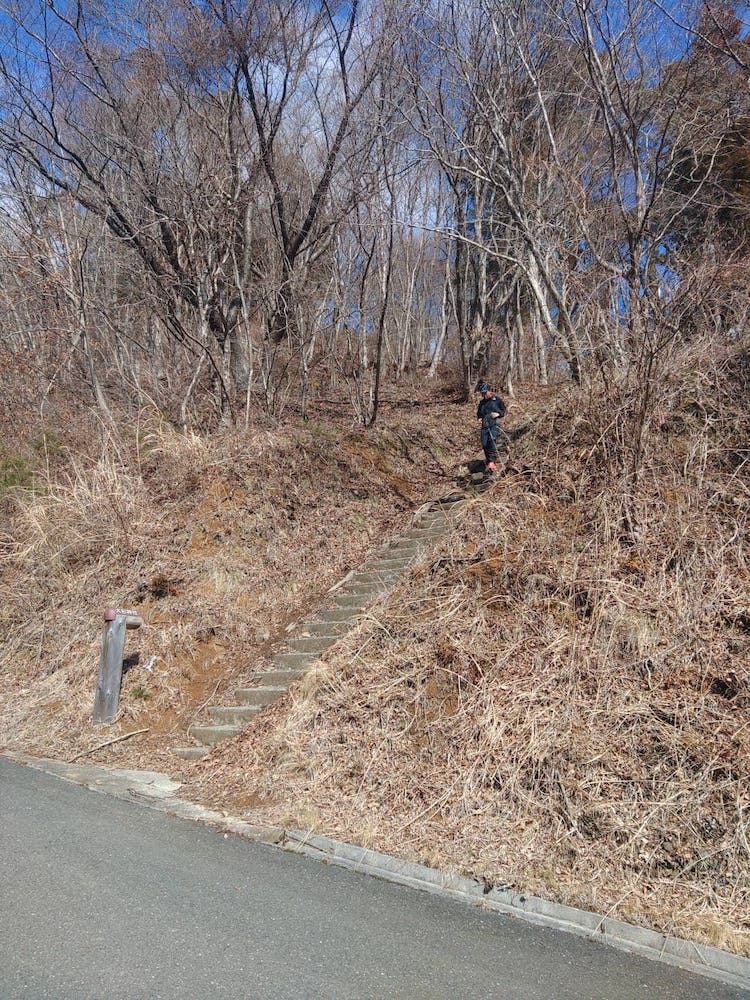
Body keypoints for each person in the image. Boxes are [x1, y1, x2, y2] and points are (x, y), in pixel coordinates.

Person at [475, 381, 506, 473]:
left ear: (490, 391)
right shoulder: (482, 403)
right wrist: (479, 418)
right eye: (482, 393)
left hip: (495, 424)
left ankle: (492, 461)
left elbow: (504, 411)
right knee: (484, 443)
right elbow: (479, 414)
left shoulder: (497, 400)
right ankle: (489, 461)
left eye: (485, 393)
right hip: (485, 425)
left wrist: (498, 414)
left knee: (491, 440)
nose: (484, 395)